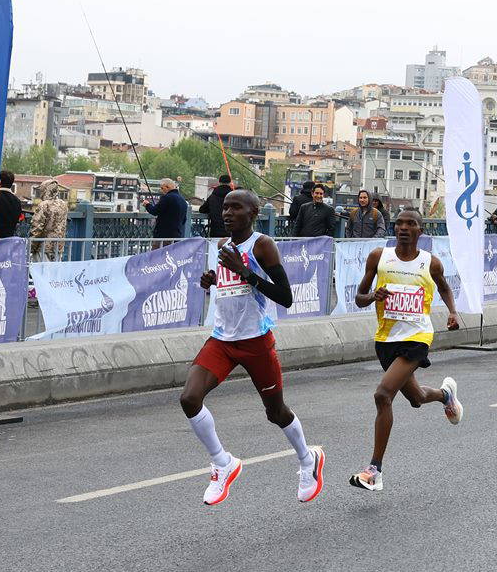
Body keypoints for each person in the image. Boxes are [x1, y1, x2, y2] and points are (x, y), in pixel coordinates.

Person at [182, 189, 324, 506]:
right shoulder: (222, 245)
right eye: (226, 208)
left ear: (253, 213)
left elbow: (285, 297)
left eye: (236, 208)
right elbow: (233, 283)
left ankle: (307, 459)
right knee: (189, 398)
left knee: (275, 412)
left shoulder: (263, 245)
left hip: (256, 340)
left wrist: (243, 270)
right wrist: (214, 280)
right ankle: (222, 462)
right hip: (222, 338)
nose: (228, 213)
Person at [350, 210, 463, 492]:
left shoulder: (430, 263)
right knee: (416, 397)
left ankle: (374, 470)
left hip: (417, 336)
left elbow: (445, 288)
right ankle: (445, 395)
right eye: (399, 223)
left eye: (410, 224)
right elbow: (359, 299)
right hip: (386, 339)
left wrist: (452, 312)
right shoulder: (379, 257)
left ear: (420, 231)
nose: (403, 228)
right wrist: (373, 296)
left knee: (382, 394)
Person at [28, 179, 68, 261]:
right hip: (58, 247)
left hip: (43, 246)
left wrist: (31, 246)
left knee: (40, 272)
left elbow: (37, 227)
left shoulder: (44, 205)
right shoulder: (63, 204)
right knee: (55, 272)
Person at [145, 178, 189, 247]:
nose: (161, 190)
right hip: (177, 237)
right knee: (171, 257)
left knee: (157, 256)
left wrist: (147, 205)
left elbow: (154, 211)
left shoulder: (167, 198)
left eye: (162, 188)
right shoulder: (183, 200)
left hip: (163, 237)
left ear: (167, 187)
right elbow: (184, 220)